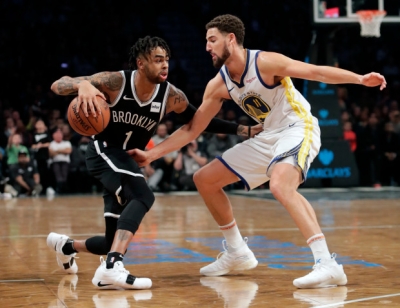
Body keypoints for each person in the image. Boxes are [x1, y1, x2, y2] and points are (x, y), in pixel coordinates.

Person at [130, 15, 387, 289]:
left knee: (280, 185)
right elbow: (192, 129)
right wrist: (152, 155)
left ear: (231, 39)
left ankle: (327, 264)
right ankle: (237, 251)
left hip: (297, 127)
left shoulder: (265, 62)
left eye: (212, 40)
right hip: (267, 136)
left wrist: (360, 78)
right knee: (204, 179)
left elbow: (316, 72)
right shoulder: (218, 85)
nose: (207, 47)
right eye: (206, 42)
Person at [46, 35, 262, 290]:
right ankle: (111, 267)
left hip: (126, 161)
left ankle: (66, 246)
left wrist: (243, 130)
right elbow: (58, 84)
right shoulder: (116, 82)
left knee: (111, 239)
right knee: (143, 196)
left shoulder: (171, 95)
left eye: (167, 60)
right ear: (140, 63)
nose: (164, 65)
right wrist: (82, 85)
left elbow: (199, 120)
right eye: (158, 60)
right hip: (103, 151)